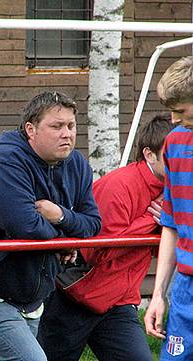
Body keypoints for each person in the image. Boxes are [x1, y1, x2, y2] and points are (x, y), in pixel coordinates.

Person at [0, 91, 101, 361]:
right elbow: (25, 226)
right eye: (56, 126)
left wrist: (60, 216)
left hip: (32, 297)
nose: (66, 133)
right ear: (31, 129)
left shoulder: (77, 164)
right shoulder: (7, 161)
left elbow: (93, 224)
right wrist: (64, 241)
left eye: (71, 125)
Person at [37, 114, 175, 361]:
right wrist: (153, 221)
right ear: (149, 154)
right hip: (73, 299)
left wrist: (169, 222)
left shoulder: (173, 190)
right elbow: (99, 249)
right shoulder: (120, 186)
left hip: (118, 303)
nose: (184, 160)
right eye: (173, 152)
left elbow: (163, 248)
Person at [144, 56, 193, 361]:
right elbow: (171, 225)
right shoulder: (174, 144)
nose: (173, 119)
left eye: (181, 111)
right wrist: (159, 294)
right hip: (185, 290)